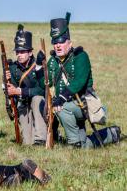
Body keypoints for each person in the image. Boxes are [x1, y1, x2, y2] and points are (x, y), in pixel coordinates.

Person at [36, 12, 121, 148]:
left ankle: (73, 143)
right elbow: (45, 84)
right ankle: (111, 134)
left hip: (83, 103)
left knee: (61, 109)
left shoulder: (80, 56)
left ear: (69, 43)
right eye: (55, 42)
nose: (58, 45)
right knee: (85, 145)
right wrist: (39, 66)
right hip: (69, 105)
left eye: (62, 41)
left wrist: (62, 97)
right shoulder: (53, 61)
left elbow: (79, 82)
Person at [5, 24, 47, 145]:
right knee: (27, 143)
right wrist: (7, 82)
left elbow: (41, 90)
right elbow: (10, 91)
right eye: (17, 52)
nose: (19, 54)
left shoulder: (38, 65)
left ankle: (41, 138)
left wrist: (20, 91)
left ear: (30, 52)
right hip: (23, 105)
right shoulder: (13, 67)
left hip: (38, 104)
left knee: (37, 98)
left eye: (22, 51)